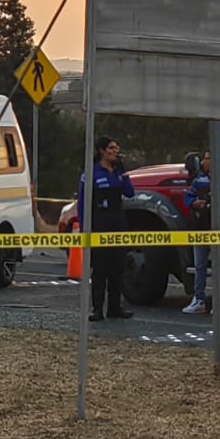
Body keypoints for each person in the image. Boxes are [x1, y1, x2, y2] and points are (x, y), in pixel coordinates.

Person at [79, 136, 135, 321]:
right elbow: (83, 202)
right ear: (102, 150)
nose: (115, 151)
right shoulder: (92, 172)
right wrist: (84, 228)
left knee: (118, 267)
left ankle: (115, 307)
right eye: (111, 148)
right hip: (100, 222)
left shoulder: (118, 172)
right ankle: (97, 308)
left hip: (118, 221)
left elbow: (129, 192)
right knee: (101, 268)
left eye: (117, 147)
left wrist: (124, 173)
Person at [182, 153, 220, 315]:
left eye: (207, 158)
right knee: (200, 265)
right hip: (200, 228)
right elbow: (187, 196)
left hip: (219, 231)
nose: (203, 162)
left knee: (219, 267)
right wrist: (193, 203)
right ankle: (198, 299)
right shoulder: (199, 180)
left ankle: (219, 303)